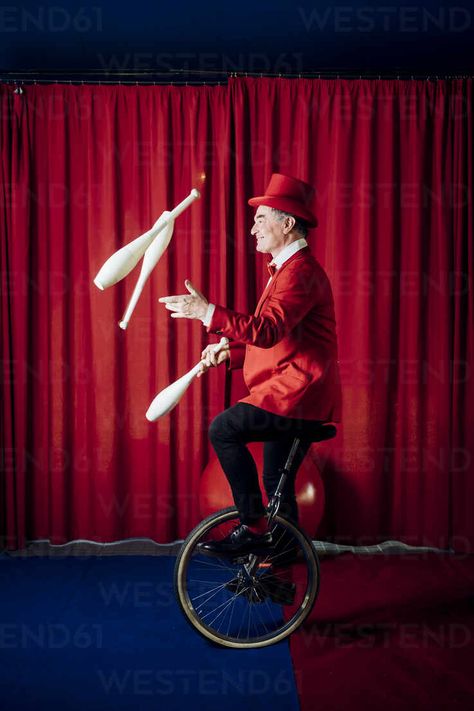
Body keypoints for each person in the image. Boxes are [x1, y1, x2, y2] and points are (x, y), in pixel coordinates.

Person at [159, 173, 341, 556]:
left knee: (224, 429)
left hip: (298, 395)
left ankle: (253, 526)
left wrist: (205, 311)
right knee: (277, 484)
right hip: (289, 390)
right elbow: (280, 342)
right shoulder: (286, 271)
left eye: (261, 218)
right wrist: (232, 353)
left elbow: (268, 330)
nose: (253, 227)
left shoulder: (300, 273)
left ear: (287, 223)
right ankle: (280, 567)